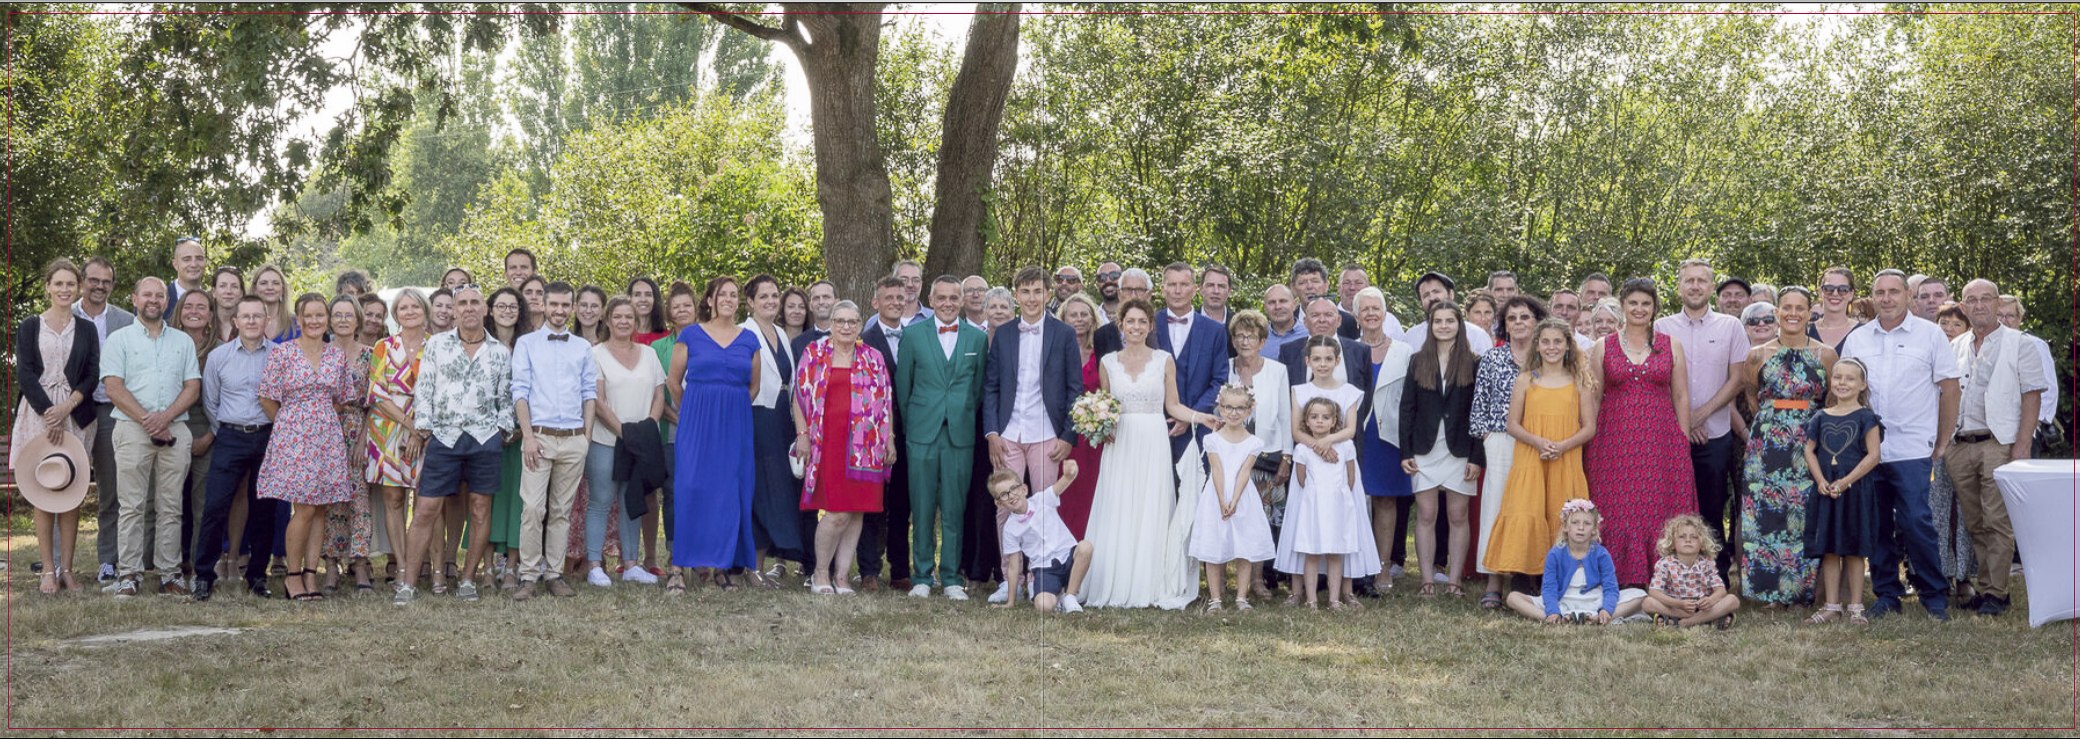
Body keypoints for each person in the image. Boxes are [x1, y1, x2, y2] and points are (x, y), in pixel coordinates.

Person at [1079, 300, 1220, 610]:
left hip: (1153, 440)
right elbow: (1104, 405)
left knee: (1150, 504)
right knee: (1118, 505)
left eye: (1142, 321)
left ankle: (1149, 581)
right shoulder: (1108, 362)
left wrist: (1200, 417)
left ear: (1150, 326)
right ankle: (1115, 580)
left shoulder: (1163, 360)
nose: (1136, 327)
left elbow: (1173, 405)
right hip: (1121, 443)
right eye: (1130, 321)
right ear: (1121, 325)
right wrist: (1101, 425)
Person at [1839, 268, 1960, 621]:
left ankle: (1934, 594)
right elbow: (1846, 391)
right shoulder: (1858, 339)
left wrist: (1943, 439)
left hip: (1912, 447)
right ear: (1872, 297)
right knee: (1876, 524)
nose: (1887, 298)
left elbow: (1950, 389)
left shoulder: (1930, 335)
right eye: (1880, 292)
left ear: (1908, 296)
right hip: (1867, 451)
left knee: (1915, 521)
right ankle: (1887, 593)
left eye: (1894, 292)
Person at [395, 284, 512, 605]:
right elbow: (424, 390)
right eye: (463, 303)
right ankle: (407, 584)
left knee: (480, 508)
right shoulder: (437, 345)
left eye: (475, 302)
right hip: (444, 438)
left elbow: (506, 397)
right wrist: (425, 431)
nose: (469, 308)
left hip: (484, 439)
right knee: (425, 509)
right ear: (454, 310)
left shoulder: (500, 352)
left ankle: (468, 579)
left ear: (485, 309)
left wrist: (501, 431)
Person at [1944, 279, 2047, 617]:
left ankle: (1996, 592)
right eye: (1971, 300)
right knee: (1975, 521)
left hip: (1999, 442)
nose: (1979, 305)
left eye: (1985, 299)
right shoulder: (1956, 345)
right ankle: (1989, 586)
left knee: (1996, 520)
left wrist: (2022, 445)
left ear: (1997, 302)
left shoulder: (2020, 343)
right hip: (1960, 444)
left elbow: (2032, 395)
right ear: (1963, 307)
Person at [1584, 279, 1696, 586]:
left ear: (1655, 307)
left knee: (1659, 507)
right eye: (1633, 303)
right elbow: (1593, 397)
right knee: (1616, 508)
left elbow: (1681, 396)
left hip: (1661, 441)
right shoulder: (1603, 346)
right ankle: (1617, 577)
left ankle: (1665, 577)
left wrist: (1682, 441)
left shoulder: (1670, 344)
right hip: (1614, 441)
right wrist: (1590, 441)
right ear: (1622, 306)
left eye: (1646, 303)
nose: (1639, 309)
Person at [983, 267, 1084, 602]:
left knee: (1042, 507)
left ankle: (1041, 576)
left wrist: (1068, 436)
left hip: (1047, 434)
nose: (1031, 298)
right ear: (1016, 295)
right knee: (1005, 506)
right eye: (1025, 291)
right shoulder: (1004, 334)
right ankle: (1009, 579)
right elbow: (991, 386)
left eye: (1037, 291)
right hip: (1008, 434)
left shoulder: (1064, 334)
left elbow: (1074, 389)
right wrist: (992, 432)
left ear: (1047, 294)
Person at [101, 276, 202, 597]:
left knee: (171, 505)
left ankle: (170, 574)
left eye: (159, 295)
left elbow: (192, 387)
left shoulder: (182, 342)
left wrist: (165, 418)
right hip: (131, 429)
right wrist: (149, 421)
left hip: (175, 429)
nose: (154, 300)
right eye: (147, 295)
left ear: (166, 301)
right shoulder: (119, 339)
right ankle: (129, 574)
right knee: (131, 505)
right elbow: (113, 387)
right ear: (135, 299)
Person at [255, 293, 355, 601]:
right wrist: (289, 425)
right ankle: (293, 575)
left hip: (326, 438)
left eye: (319, 315)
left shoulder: (336, 355)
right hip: (294, 439)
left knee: (321, 507)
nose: (314, 321)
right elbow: (266, 396)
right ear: (298, 319)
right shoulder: (283, 353)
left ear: (327, 319)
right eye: (307, 315)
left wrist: (320, 416)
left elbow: (342, 398)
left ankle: (312, 575)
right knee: (305, 507)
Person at [894, 276, 989, 599]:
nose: (948, 303)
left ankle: (950, 578)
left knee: (954, 508)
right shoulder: (912, 335)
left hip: (959, 435)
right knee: (921, 507)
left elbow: (977, 390)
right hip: (921, 433)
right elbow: (903, 387)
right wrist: (915, 424)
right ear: (931, 301)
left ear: (961, 301)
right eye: (942, 297)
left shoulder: (977, 339)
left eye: (953, 298)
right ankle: (922, 576)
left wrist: (959, 413)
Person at [1737, 287, 1833, 606]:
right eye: (1787, 308)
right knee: (1767, 513)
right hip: (1768, 443)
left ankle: (1804, 590)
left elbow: (1831, 401)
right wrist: (1776, 422)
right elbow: (1752, 396)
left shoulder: (1825, 354)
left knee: (1804, 512)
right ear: (1777, 312)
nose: (1793, 313)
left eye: (1800, 308)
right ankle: (1768, 591)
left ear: (1809, 313)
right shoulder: (1758, 355)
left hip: (1810, 444)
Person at [1656, 259, 1751, 579]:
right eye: (1689, 280)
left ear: (1712, 287)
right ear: (1679, 287)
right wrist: (1685, 421)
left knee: (1712, 509)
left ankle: (1716, 576)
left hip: (1716, 434)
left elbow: (1737, 380)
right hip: (1671, 435)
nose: (1695, 286)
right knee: (1672, 509)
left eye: (1701, 281)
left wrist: (1700, 416)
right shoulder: (1662, 328)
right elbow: (1657, 380)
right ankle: (1672, 575)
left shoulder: (1730, 326)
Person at [793, 300, 895, 595]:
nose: (846, 327)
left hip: (866, 448)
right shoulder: (814, 353)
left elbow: (886, 401)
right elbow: (799, 396)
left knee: (857, 511)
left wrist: (889, 438)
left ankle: (841, 576)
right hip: (828, 444)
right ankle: (820, 573)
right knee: (837, 512)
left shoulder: (873, 357)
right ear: (831, 324)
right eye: (840, 321)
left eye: (852, 322)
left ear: (860, 325)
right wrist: (802, 434)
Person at [667, 276, 762, 592]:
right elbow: (673, 382)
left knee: (728, 493)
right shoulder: (691, 335)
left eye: (734, 295)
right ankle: (678, 568)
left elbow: (753, 387)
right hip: (696, 424)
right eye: (723, 295)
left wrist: (732, 408)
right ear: (709, 300)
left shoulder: (749, 339)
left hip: (735, 426)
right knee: (690, 488)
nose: (729, 300)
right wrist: (693, 411)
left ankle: (721, 567)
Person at [1485, 319, 1596, 587]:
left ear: (1568, 346)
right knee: (1527, 510)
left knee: (1560, 513)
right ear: (1537, 346)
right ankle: (1524, 576)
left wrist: (1562, 446)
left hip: (1565, 459)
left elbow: (1590, 427)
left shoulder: (1579, 381)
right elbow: (1512, 424)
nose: (1551, 347)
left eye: (1558, 341)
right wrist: (1538, 443)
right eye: (1545, 341)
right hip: (1531, 458)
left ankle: (1559, 578)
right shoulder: (1526, 379)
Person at [13, 259, 99, 593]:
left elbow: (92, 373)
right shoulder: (29, 326)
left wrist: (67, 407)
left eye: (70, 284)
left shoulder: (87, 329)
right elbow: (25, 373)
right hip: (38, 414)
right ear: (48, 286)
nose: (65, 289)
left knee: (71, 490)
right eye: (58, 283)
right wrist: (49, 412)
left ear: (78, 288)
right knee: (44, 489)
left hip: (75, 413)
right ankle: (47, 570)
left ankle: (68, 570)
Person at [509, 282, 598, 600]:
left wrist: (586, 437)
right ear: (544, 306)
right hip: (539, 437)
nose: (559, 310)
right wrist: (528, 436)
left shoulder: (582, 347)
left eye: (565, 305)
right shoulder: (526, 343)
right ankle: (528, 576)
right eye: (554, 305)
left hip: (573, 439)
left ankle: (554, 575)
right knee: (533, 509)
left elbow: (589, 392)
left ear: (572, 308)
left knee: (561, 510)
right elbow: (519, 391)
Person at [1277, 336, 1380, 606]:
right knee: (1303, 526)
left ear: (1337, 361)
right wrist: (1319, 447)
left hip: (1339, 466)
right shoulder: (1299, 390)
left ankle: (1346, 591)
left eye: (1328, 359)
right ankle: (1298, 591)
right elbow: (1296, 430)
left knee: (1343, 528)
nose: (1322, 364)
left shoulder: (1349, 391)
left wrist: (1328, 441)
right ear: (1308, 361)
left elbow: (1350, 429)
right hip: (1310, 467)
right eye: (1317, 359)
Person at [191, 296, 279, 600]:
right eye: (246, 316)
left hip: (268, 437)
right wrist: (223, 430)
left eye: (257, 316)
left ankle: (257, 576)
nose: (252, 321)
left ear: (267, 321)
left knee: (264, 509)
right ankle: (204, 576)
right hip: (229, 436)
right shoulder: (219, 357)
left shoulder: (280, 355)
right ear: (235, 321)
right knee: (216, 506)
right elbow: (210, 401)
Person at [1399, 301, 1485, 598]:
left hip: (1460, 449)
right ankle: (1426, 581)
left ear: (1459, 325)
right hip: (1424, 449)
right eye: (1438, 321)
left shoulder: (1473, 362)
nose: (1444, 326)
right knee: (1426, 513)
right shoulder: (1418, 361)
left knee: (1458, 515)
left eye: (1450, 321)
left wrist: (1476, 456)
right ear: (1430, 325)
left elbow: (1479, 412)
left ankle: (1454, 581)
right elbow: (1406, 409)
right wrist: (1406, 451)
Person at [1469, 296, 1547, 606]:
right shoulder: (1492, 358)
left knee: (1531, 508)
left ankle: (1529, 576)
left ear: (1536, 321)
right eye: (1512, 318)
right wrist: (1488, 435)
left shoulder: (1549, 356)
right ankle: (1494, 581)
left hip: (1540, 441)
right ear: (1504, 325)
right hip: (1501, 441)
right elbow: (1479, 404)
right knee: (1496, 508)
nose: (1518, 323)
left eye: (1524, 317)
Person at [585, 297, 665, 588]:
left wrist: (647, 428)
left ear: (635, 321)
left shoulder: (649, 354)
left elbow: (659, 395)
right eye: (617, 316)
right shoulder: (595, 354)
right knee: (601, 500)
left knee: (632, 500)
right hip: (607, 440)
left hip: (639, 441)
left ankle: (631, 564)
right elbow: (598, 401)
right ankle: (595, 565)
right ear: (607, 320)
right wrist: (625, 433)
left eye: (628, 317)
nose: (623, 321)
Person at [1802, 357, 1885, 625]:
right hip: (1826, 492)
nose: (1842, 383)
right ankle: (1831, 606)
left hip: (1855, 492)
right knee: (1829, 548)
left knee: (1854, 549)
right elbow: (1809, 450)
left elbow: (1873, 455)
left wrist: (1846, 481)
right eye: (1837, 377)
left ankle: (1856, 607)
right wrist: (1820, 481)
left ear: (1862, 385)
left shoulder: (1866, 418)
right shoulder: (1820, 417)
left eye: (1850, 378)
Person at [740, 274, 808, 585]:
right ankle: (752, 568)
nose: (770, 301)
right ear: (750, 302)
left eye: (774, 295)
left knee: (778, 492)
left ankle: (761, 565)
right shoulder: (743, 333)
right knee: (759, 493)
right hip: (757, 417)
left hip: (783, 419)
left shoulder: (780, 332)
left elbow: (791, 382)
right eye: (763, 296)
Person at [1224, 309, 1292, 600]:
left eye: (1251, 336)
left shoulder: (1277, 371)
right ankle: (1225, 579)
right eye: (1239, 336)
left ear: (1263, 341)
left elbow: (1286, 416)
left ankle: (1256, 579)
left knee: (1261, 519)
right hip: (1229, 456)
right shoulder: (1225, 368)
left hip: (1267, 455)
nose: (1245, 341)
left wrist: (1287, 457)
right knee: (1229, 514)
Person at [76, 257, 135, 585]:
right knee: (62, 486)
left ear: (112, 285)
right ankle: (55, 563)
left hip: (111, 411)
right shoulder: (65, 315)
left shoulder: (126, 321)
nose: (99, 286)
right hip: (73, 411)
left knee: (111, 490)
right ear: (82, 281)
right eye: (93, 280)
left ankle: (108, 560)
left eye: (106, 281)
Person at [1189, 385, 1274, 612]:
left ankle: (1241, 597)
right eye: (1228, 408)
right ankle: (1215, 598)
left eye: (1239, 408)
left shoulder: (1254, 442)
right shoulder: (1212, 440)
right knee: (1214, 544)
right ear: (1220, 409)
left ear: (1249, 411)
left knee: (1244, 545)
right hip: (1216, 495)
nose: (1233, 413)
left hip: (1243, 496)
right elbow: (1217, 469)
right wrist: (1222, 500)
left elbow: (1244, 471)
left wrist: (1235, 499)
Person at [367, 289, 429, 596]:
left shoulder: (436, 346)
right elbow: (377, 393)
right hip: (388, 429)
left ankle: (421, 566)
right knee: (393, 499)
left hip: (427, 428)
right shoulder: (384, 346)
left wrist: (419, 432)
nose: (410, 311)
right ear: (395, 314)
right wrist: (408, 425)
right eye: (403, 307)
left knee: (424, 501)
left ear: (425, 310)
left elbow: (440, 392)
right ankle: (402, 567)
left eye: (415, 306)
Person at [1353, 288, 1413, 594]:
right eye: (1365, 309)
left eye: (1376, 308)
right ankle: (1355, 565)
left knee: (1386, 500)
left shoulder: (1404, 351)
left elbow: (1412, 398)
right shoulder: (1348, 349)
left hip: (1389, 436)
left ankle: (1383, 565)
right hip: (1355, 435)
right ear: (1356, 316)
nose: (1371, 314)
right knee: (1355, 501)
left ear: (1385, 313)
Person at [856, 275, 914, 591]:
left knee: (902, 503)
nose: (894, 302)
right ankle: (869, 570)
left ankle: (901, 570)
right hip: (872, 435)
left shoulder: (915, 336)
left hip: (910, 432)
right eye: (888, 298)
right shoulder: (863, 341)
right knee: (872, 505)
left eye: (899, 297)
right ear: (875, 302)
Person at [1504, 499, 1646, 624]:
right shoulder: (1555, 553)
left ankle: (1600, 618)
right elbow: (1549, 588)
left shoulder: (1601, 554)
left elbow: (1611, 587)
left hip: (1594, 601)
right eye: (1575, 523)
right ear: (1566, 527)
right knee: (1513, 597)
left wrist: (1606, 609)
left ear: (1594, 529)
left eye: (1587, 523)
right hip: (1562, 601)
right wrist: (1553, 610)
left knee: (1640, 595)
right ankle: (1552, 618)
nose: (1581, 528)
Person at [321, 295, 377, 592]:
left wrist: (363, 438)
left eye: (348, 315)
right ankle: (331, 564)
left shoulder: (370, 355)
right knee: (329, 499)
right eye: (337, 315)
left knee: (359, 499)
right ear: (330, 320)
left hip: (358, 429)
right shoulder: (319, 353)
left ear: (358, 320)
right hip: (325, 430)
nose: (343, 320)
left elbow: (376, 402)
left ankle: (360, 563)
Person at [990, 461, 1093, 613]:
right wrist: (1010, 602)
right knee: (1043, 606)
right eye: (1004, 495)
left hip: (1068, 557)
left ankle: (1070, 596)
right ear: (999, 503)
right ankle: (1057, 595)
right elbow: (1013, 567)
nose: (1011, 495)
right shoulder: (1009, 529)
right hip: (1045, 569)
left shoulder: (1042, 499)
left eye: (1013, 489)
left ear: (1024, 489)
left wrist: (1070, 473)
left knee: (1085, 547)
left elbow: (1063, 483)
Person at [1287, 396, 1360, 610]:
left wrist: (1339, 495)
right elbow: (1301, 479)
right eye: (1314, 417)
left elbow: (1351, 477)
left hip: (1337, 505)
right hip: (1313, 506)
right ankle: (1311, 600)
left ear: (1334, 421)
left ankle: (1334, 599)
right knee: (1311, 553)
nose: (1320, 421)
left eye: (1326, 417)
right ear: (1306, 421)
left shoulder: (1346, 446)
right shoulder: (1302, 449)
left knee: (1335, 553)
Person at [484, 287, 533, 586]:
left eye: (512, 306)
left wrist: (522, 429)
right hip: (484, 435)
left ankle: (512, 566)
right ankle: (488, 567)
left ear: (520, 310)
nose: (506, 311)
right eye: (500, 306)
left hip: (521, 435)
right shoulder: (479, 343)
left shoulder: (529, 345)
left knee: (519, 499)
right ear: (490, 310)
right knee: (486, 500)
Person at [172, 288, 219, 587]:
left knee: (203, 505)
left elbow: (229, 400)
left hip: (208, 431)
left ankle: (199, 569)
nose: (194, 312)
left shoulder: (221, 351)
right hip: (170, 427)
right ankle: (170, 565)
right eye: (188, 306)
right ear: (179, 312)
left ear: (211, 315)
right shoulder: (165, 344)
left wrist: (210, 435)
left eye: (201, 307)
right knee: (170, 502)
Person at [1055, 293, 1107, 540]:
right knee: (1066, 491)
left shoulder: (1102, 352)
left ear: (1093, 319)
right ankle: (1066, 549)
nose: (1078, 319)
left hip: (1094, 437)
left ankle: (1091, 547)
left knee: (1093, 491)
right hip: (1064, 434)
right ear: (1063, 319)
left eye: (1084, 314)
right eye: (1073, 315)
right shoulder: (1055, 352)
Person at [1641, 515, 1740, 629]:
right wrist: (1678, 604)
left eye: (1694, 537)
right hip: (1676, 607)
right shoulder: (1664, 564)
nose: (1688, 540)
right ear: (1672, 543)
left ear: (1702, 544)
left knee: (1733, 600)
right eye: (1682, 536)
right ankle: (1707, 619)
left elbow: (1721, 590)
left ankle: (1684, 622)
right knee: (1647, 602)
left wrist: (1710, 600)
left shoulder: (1707, 563)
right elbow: (1654, 592)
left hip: (1702, 608)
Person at [1404, 272, 1492, 350]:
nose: (1432, 298)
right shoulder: (1411, 337)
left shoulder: (1477, 336)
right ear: (1421, 303)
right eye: (1426, 295)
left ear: (1451, 294)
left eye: (1436, 291)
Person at [1090, 268, 1154, 359]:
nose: (1133, 296)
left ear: (1149, 295)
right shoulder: (1101, 335)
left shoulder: (1162, 329)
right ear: (1119, 294)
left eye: (1139, 290)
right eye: (1128, 290)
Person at [1811, 266, 1861, 352]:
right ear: (1820, 292)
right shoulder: (1805, 332)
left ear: (1851, 294)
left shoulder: (1863, 332)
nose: (1835, 294)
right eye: (1828, 288)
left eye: (1843, 289)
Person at [789, 280, 838, 363]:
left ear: (837, 303)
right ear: (810, 306)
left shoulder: (854, 338)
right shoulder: (797, 343)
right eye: (816, 298)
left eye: (826, 297)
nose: (821, 302)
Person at [1258, 284, 1308, 360]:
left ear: (1294, 304)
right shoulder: (1257, 339)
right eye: (1272, 302)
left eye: (1283, 301)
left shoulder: (1309, 334)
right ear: (1265, 308)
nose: (1278, 307)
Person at [250, 263, 291, 340]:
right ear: (255, 289)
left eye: (276, 283)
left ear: (283, 289)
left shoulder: (297, 325)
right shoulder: (244, 323)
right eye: (263, 283)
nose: (270, 287)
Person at [168, 237, 210, 308]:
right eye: (187, 259)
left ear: (205, 262)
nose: (194, 265)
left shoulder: (212, 302)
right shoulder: (161, 299)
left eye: (199, 259)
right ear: (175, 264)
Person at [628, 276, 670, 345]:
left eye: (648, 295)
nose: (643, 299)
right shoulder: (622, 335)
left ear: (655, 299)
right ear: (630, 299)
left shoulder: (668, 338)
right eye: (637, 295)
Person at [210, 266, 244, 344]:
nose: (228, 291)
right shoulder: (205, 323)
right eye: (222, 286)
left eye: (234, 287)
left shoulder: (249, 323)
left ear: (241, 293)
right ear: (214, 292)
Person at [893, 259, 932, 325]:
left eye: (916, 280)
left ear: (921, 284)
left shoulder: (936, 320)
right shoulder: (877, 321)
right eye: (904, 279)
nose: (910, 285)